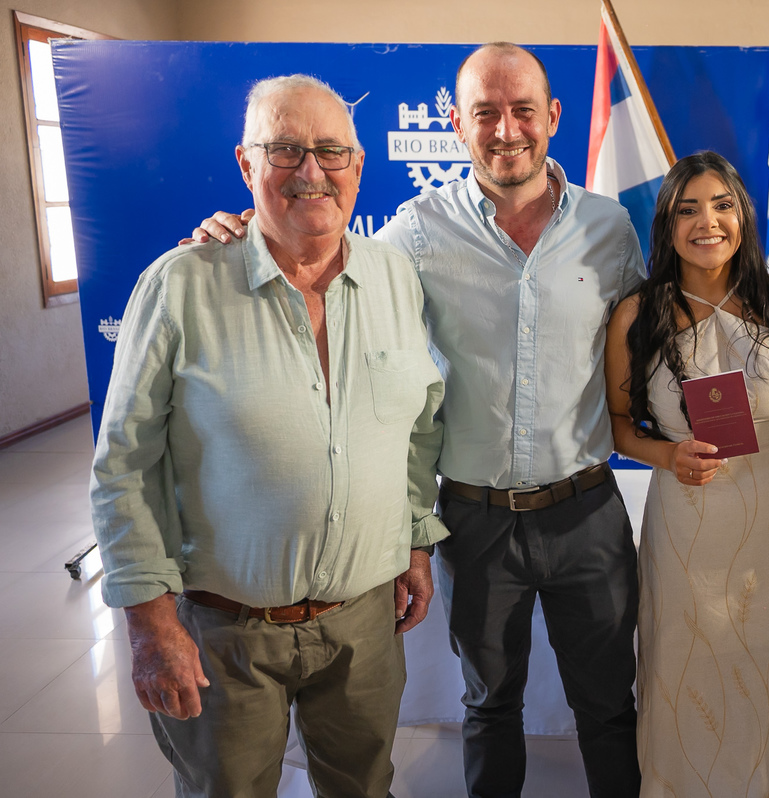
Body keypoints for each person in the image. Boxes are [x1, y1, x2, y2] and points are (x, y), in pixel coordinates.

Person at [191, 43, 645, 798]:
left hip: (588, 511)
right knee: (489, 706)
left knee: (606, 708)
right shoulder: (416, 233)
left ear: (554, 117)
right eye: (485, 113)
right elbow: (317, 250)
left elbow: (653, 338)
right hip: (475, 518)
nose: (506, 130)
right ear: (455, 123)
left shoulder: (611, 228)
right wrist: (242, 233)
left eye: (523, 110)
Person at [90, 74, 447, 797]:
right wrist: (150, 625)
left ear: (357, 167)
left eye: (330, 151)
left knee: (364, 788)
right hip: (224, 633)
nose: (311, 171)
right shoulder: (179, 284)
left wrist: (412, 539)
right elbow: (125, 464)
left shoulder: (395, 279)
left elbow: (417, 428)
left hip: (364, 627)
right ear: (246, 165)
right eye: (284, 150)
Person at [604, 151, 769, 797]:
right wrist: (667, 455)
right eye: (687, 209)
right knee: (691, 668)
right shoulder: (637, 314)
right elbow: (617, 423)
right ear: (666, 225)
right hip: (690, 515)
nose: (706, 221)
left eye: (721, 205)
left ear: (742, 214)